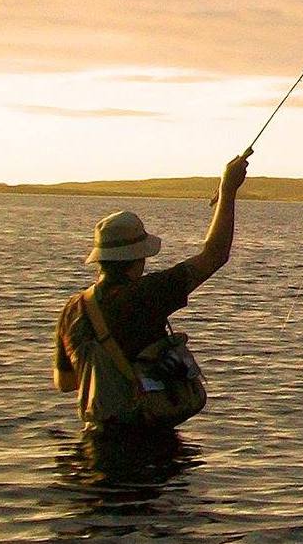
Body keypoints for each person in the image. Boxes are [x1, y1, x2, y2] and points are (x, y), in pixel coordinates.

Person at [53, 151, 251, 428]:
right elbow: (215, 254)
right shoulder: (149, 293)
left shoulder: (73, 308)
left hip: (95, 443)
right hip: (147, 441)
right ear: (139, 257)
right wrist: (227, 189)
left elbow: (65, 382)